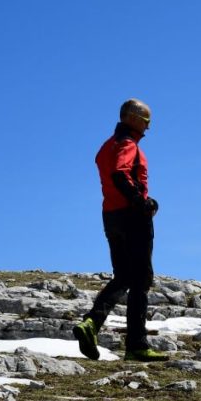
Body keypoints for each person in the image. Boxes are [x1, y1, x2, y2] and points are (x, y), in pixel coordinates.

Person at [73, 99, 166, 362]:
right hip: (133, 217)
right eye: (146, 121)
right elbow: (119, 173)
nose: (149, 127)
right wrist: (142, 202)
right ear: (134, 119)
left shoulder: (105, 147)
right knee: (141, 280)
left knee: (123, 276)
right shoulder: (128, 145)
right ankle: (137, 345)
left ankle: (90, 324)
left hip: (110, 216)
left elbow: (111, 174)